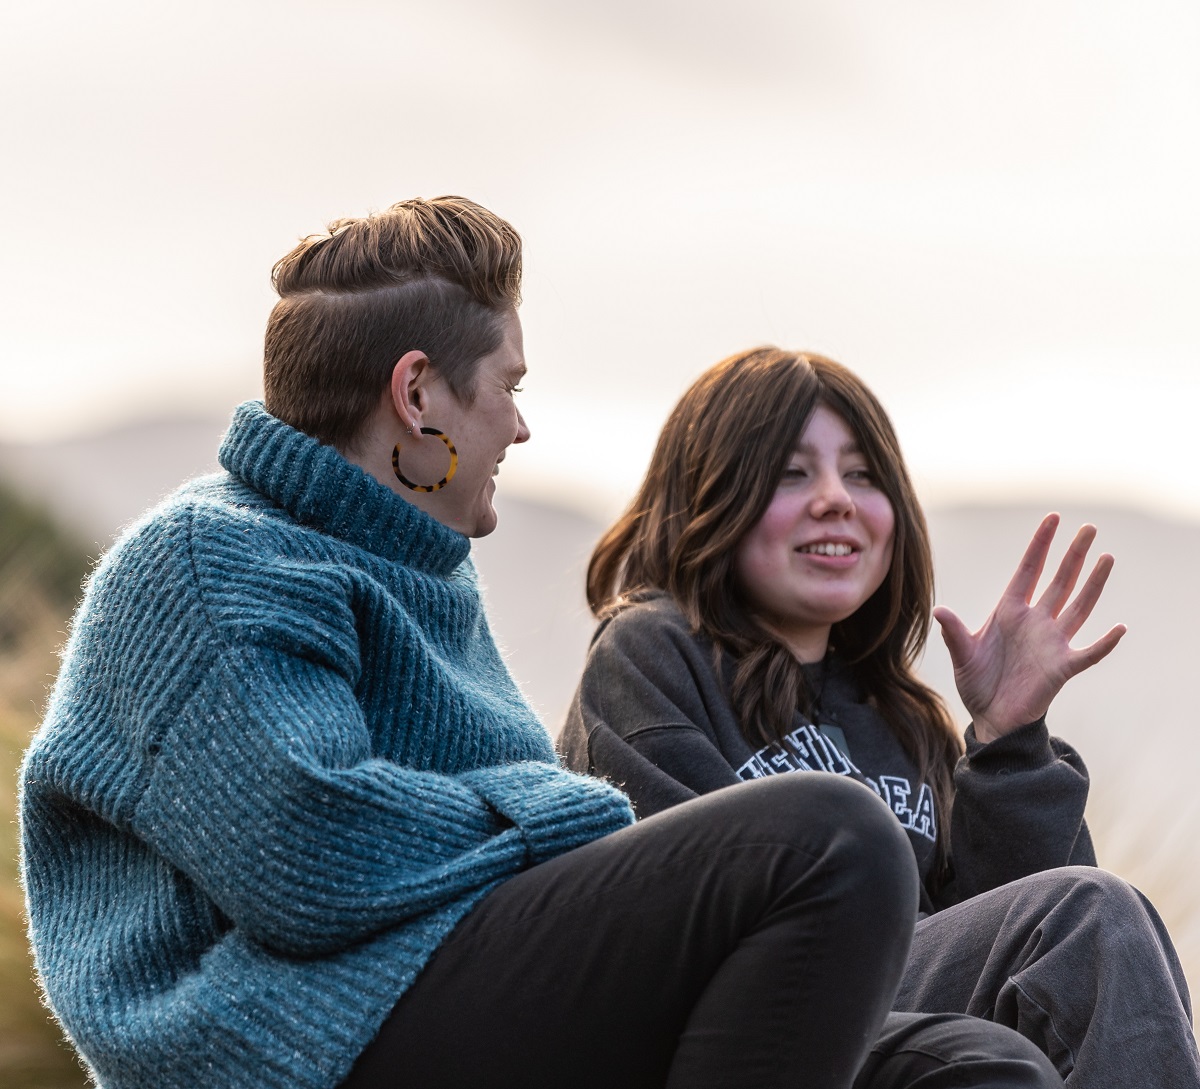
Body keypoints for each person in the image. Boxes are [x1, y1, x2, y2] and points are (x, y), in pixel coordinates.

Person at [20, 199, 1034, 1089]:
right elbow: (310, 852)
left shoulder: (421, 565)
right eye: (506, 385)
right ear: (418, 399)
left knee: (978, 1067)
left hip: (429, 994)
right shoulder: (212, 559)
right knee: (832, 837)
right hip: (293, 1040)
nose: (520, 427)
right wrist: (568, 811)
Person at [559, 347, 1200, 1088]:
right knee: (1094, 914)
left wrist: (1008, 743)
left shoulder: (903, 721)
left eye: (862, 474)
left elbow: (1025, 967)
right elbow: (678, 916)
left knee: (1072, 967)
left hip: (898, 1030)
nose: (836, 498)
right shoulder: (650, 653)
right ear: (708, 497)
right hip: (753, 1013)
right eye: (792, 473)